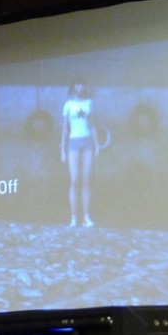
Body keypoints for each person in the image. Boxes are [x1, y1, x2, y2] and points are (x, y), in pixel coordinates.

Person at [60, 80, 98, 227]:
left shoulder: (89, 103)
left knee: (86, 181)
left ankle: (86, 216)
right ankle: (74, 217)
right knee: (74, 180)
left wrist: (96, 145)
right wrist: (63, 149)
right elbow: (65, 128)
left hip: (87, 142)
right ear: (73, 87)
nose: (80, 87)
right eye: (77, 84)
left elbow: (92, 124)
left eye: (82, 84)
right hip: (73, 142)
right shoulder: (68, 104)